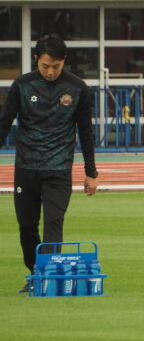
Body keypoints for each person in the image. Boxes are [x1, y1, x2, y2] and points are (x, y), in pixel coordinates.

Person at [0, 35, 99, 293]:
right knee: (27, 225)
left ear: (64, 61)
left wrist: (91, 172)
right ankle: (34, 272)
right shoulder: (22, 85)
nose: (51, 71)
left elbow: (86, 132)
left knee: (54, 221)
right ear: (36, 60)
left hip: (58, 169)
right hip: (26, 167)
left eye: (56, 66)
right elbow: (4, 122)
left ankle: (48, 277)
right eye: (45, 66)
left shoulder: (77, 89)